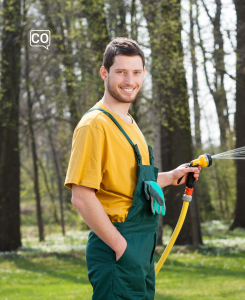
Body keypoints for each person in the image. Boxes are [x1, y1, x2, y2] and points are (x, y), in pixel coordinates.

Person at [64, 37, 200, 300]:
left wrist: (171, 177)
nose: (130, 80)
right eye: (121, 72)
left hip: (142, 247)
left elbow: (129, 184)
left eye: (136, 72)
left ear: (143, 74)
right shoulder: (94, 125)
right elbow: (81, 196)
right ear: (104, 73)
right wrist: (120, 247)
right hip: (118, 246)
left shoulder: (129, 123)